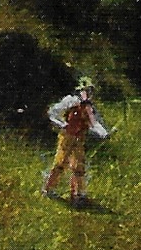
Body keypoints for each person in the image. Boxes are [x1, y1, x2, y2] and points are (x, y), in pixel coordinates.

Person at [43, 76, 111, 205]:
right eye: (87, 90)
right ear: (81, 90)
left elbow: (94, 123)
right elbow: (53, 112)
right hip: (67, 137)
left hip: (80, 138)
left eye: (91, 91)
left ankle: (77, 194)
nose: (89, 93)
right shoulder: (70, 101)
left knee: (79, 166)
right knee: (60, 163)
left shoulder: (89, 108)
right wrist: (62, 124)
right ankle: (48, 189)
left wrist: (104, 133)